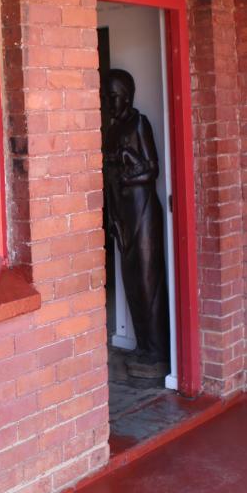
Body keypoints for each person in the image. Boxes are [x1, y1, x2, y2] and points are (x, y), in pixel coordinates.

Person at [103, 69, 169, 378]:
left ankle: (157, 350)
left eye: (113, 97)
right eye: (106, 97)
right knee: (131, 282)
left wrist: (127, 171)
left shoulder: (138, 123)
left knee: (147, 282)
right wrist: (112, 217)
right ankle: (143, 345)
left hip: (143, 212)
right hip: (123, 215)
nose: (109, 103)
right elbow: (108, 178)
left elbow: (152, 169)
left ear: (127, 97)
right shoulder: (111, 131)